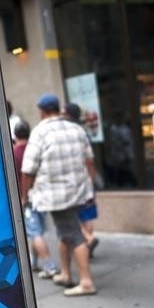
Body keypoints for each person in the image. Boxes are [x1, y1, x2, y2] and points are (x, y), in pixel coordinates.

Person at [20, 93, 97, 297]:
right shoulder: (76, 128)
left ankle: (86, 281)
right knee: (65, 231)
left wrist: (24, 195)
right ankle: (65, 274)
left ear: (42, 111)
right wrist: (90, 185)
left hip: (56, 194)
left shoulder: (40, 132)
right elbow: (90, 160)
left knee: (73, 234)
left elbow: (28, 169)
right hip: (79, 191)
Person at [12, 121, 59, 280]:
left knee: (35, 233)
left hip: (28, 198)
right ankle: (33, 262)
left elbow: (20, 177)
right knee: (35, 231)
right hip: (42, 196)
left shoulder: (15, 152)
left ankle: (49, 266)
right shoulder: (34, 149)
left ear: (15, 135)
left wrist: (23, 198)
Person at [63, 102, 100, 257]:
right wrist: (91, 179)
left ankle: (87, 240)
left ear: (67, 114)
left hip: (72, 180)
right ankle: (88, 242)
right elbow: (90, 159)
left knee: (71, 215)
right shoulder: (83, 132)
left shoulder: (66, 132)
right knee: (87, 214)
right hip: (86, 179)